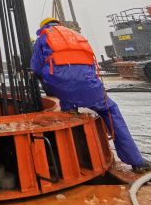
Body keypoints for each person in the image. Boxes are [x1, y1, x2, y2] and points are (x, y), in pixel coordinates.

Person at [31, 17, 151, 174]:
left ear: (43, 27)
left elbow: (36, 68)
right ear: (59, 24)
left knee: (64, 103)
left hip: (61, 89)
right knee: (111, 111)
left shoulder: (42, 38)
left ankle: (70, 156)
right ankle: (136, 161)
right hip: (90, 86)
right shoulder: (76, 36)